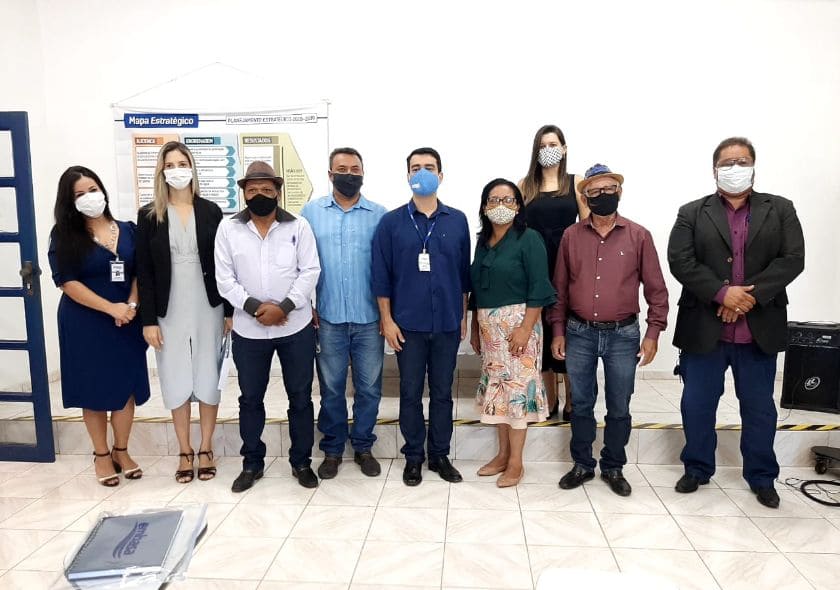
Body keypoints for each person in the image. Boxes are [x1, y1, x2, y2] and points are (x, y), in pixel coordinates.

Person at [668, 137, 805, 509]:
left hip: (758, 331)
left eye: (742, 161)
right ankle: (697, 468)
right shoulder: (691, 213)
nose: (734, 168)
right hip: (704, 329)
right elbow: (681, 261)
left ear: (754, 166)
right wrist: (721, 293)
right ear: (714, 170)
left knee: (759, 409)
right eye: (727, 163)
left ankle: (761, 477)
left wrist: (745, 298)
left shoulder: (781, 209)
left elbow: (792, 259)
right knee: (697, 406)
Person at [549, 164, 668, 497]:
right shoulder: (571, 236)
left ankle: (613, 466)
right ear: (585, 197)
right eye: (595, 192)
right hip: (579, 332)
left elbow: (656, 289)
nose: (602, 195)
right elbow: (559, 288)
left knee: (619, 404)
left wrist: (653, 334)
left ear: (620, 192)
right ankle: (582, 464)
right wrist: (557, 330)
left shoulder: (639, 236)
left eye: (609, 189)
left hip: (623, 335)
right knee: (581, 402)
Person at [215, 161, 321, 491]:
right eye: (252, 190)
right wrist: (256, 309)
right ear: (244, 193)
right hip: (249, 331)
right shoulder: (228, 229)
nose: (259, 194)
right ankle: (252, 463)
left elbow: (310, 271)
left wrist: (284, 307)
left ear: (277, 191)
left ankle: (301, 462)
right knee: (250, 399)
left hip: (295, 328)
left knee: (300, 398)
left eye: (266, 189)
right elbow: (224, 279)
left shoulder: (299, 226)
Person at [372, 147, 471, 486]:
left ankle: (439, 455)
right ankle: (413, 456)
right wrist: (387, 320)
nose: (423, 173)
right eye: (416, 168)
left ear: (441, 175)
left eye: (430, 167)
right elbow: (381, 276)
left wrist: (462, 316)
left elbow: (463, 275)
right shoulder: (391, 223)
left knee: (442, 393)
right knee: (411, 393)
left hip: (446, 324)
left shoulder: (457, 220)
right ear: (408, 176)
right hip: (407, 326)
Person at [136, 141, 232, 484]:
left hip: (209, 305)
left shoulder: (211, 211)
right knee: (175, 375)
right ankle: (184, 450)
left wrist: (229, 311)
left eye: (182, 163)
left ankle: (205, 447)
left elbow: (224, 265)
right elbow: (144, 271)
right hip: (168, 308)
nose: (177, 170)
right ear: (161, 172)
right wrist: (148, 320)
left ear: (192, 167)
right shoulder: (149, 215)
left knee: (208, 373)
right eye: (170, 165)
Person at [47, 166, 150, 486]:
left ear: (102, 190)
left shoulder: (129, 230)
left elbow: (141, 272)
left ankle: (122, 450)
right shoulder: (63, 236)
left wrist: (131, 305)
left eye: (92, 189)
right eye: (79, 194)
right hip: (86, 322)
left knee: (126, 388)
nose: (89, 197)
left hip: (127, 320)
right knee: (93, 390)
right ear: (69, 201)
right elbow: (66, 282)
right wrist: (110, 308)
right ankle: (102, 455)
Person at [300, 147, 387, 479]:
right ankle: (333, 449)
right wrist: (307, 304)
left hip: (369, 319)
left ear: (363, 173)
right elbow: (300, 264)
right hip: (328, 318)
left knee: (369, 389)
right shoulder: (310, 213)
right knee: (332, 389)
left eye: (354, 169)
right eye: (342, 169)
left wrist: (387, 314)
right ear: (330, 174)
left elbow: (388, 268)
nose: (348, 174)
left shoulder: (379, 215)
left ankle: (363, 446)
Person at [468, 178, 556, 487]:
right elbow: (477, 289)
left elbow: (539, 286)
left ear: (518, 206)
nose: (501, 206)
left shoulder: (529, 239)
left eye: (508, 200)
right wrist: (475, 328)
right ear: (484, 207)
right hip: (490, 330)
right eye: (494, 200)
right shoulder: (482, 242)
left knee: (517, 394)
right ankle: (502, 455)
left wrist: (526, 328)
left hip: (519, 327)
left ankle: (516, 462)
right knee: (499, 394)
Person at [520, 125, 589, 421]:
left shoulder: (576, 182)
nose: (548, 150)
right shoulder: (525, 185)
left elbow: (586, 226)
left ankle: (573, 399)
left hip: (569, 265)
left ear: (564, 148)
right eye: (542, 145)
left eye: (553, 144)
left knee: (570, 332)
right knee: (542, 332)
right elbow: (518, 230)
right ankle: (550, 398)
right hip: (536, 267)